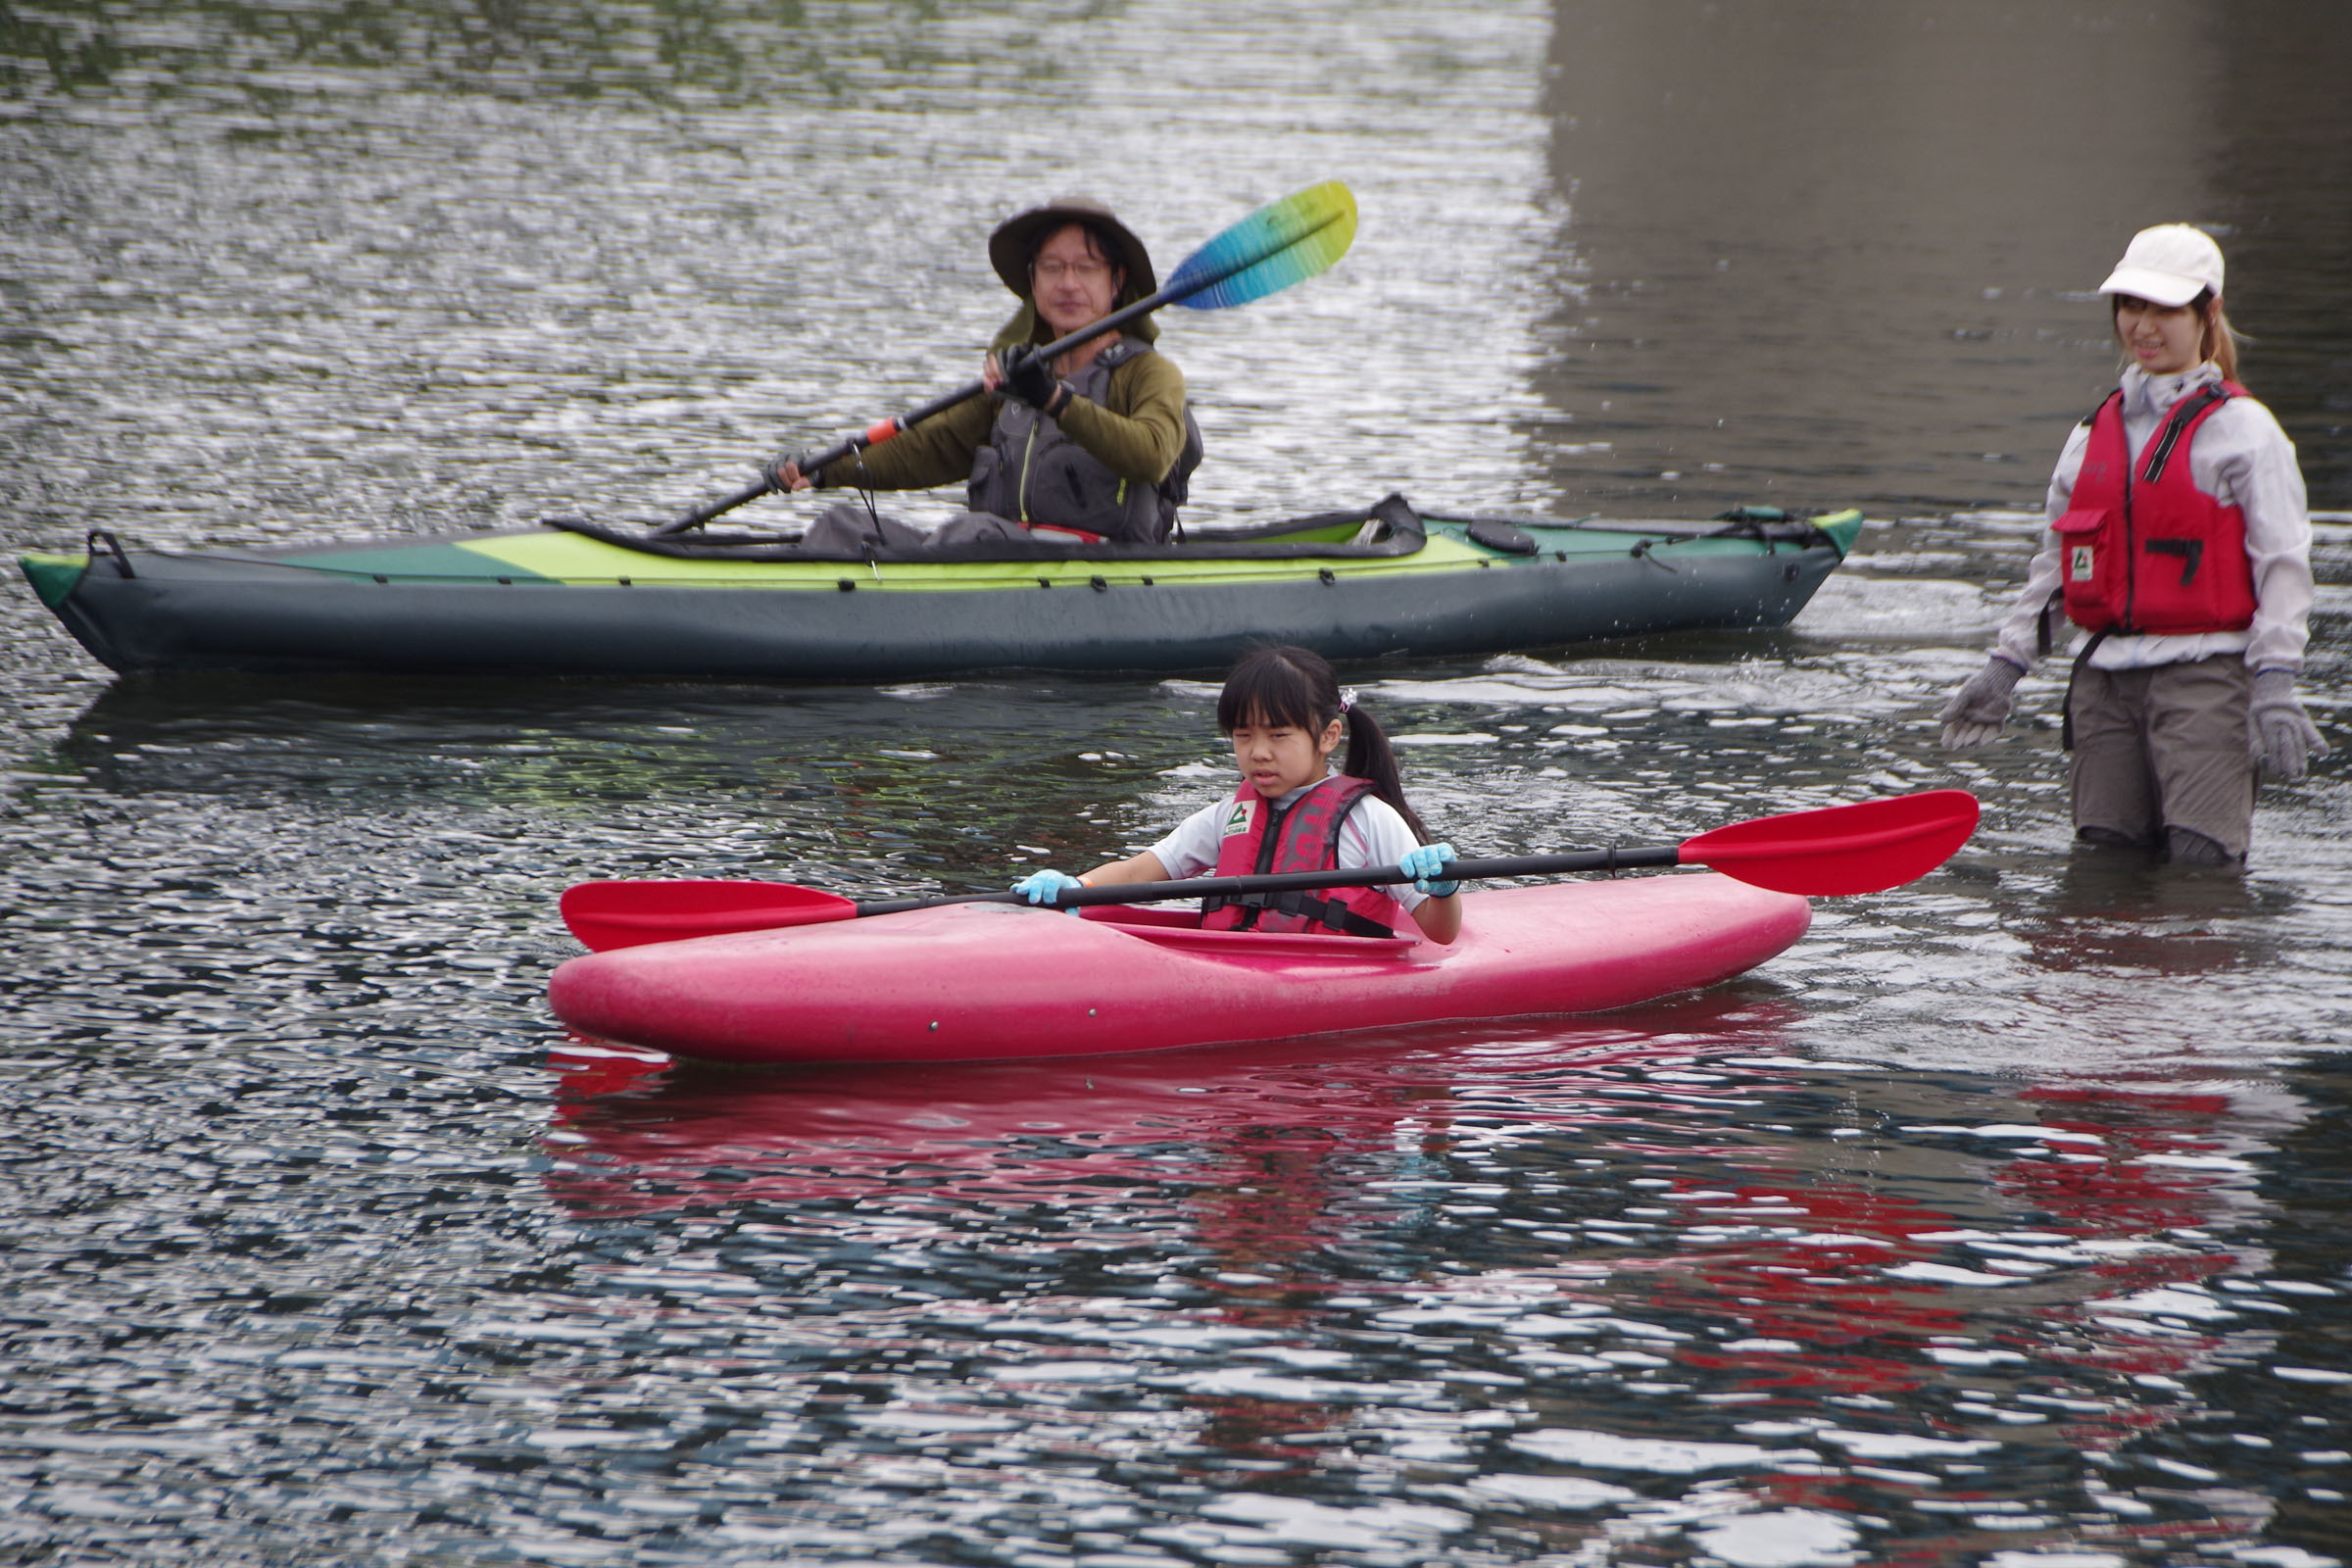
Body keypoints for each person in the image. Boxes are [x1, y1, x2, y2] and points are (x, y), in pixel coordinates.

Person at [1938, 223, 2327, 866]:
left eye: (2164, 309)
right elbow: (2057, 567)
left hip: (2205, 677)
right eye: (2130, 306)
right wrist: (2004, 670)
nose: (2143, 325)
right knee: (2104, 861)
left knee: (2201, 865)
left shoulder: (2247, 432)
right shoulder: (2091, 433)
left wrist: (2276, 683)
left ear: (2208, 313)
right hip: (2103, 683)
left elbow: (2284, 566)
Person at [770, 196, 1200, 548]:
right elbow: (932, 446)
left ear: (1116, 282)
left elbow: (1152, 455)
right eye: (1052, 268)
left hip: (1099, 570)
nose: (1068, 284)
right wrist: (825, 468)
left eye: (1086, 268)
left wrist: (1055, 400)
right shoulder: (1017, 375)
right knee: (839, 528)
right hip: (998, 553)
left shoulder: (1150, 373)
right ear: (1033, 283)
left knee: (968, 532)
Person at [1011, 645, 1464, 944]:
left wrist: (1443, 890)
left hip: (1334, 972)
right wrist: (1078, 886)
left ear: (1328, 736)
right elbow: (1141, 872)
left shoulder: (1370, 819)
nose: (1258, 754)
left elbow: (1440, 932)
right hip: (1239, 963)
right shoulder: (1230, 814)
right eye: (1243, 736)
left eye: (1278, 736)